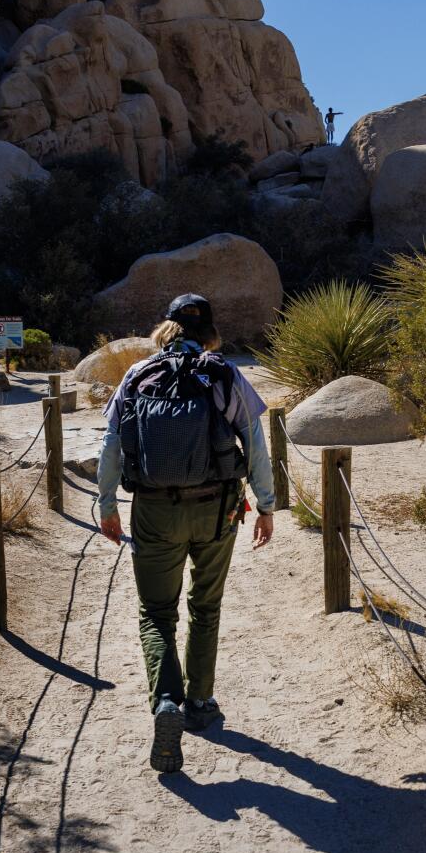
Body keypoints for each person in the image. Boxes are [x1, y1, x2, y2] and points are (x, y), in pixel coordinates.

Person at [98, 294, 277, 773]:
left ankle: (167, 704)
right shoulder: (223, 373)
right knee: (205, 605)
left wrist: (107, 503)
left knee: (156, 612)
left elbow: (112, 443)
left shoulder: (137, 375)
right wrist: (265, 505)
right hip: (217, 509)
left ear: (164, 330)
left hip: (154, 512)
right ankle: (200, 702)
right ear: (209, 333)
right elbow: (255, 443)